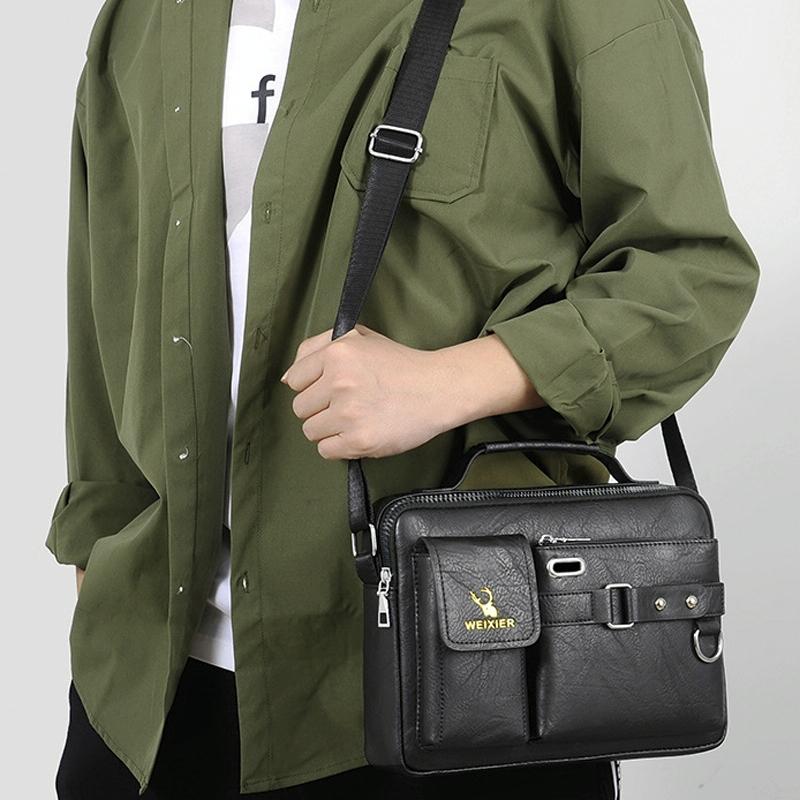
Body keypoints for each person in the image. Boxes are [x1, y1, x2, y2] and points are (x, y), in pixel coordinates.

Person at [47, 0, 759, 798]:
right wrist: (96, 565)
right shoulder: (140, 16)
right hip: (147, 697)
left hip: (461, 668)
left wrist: (451, 381)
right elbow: (105, 306)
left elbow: (691, 272)